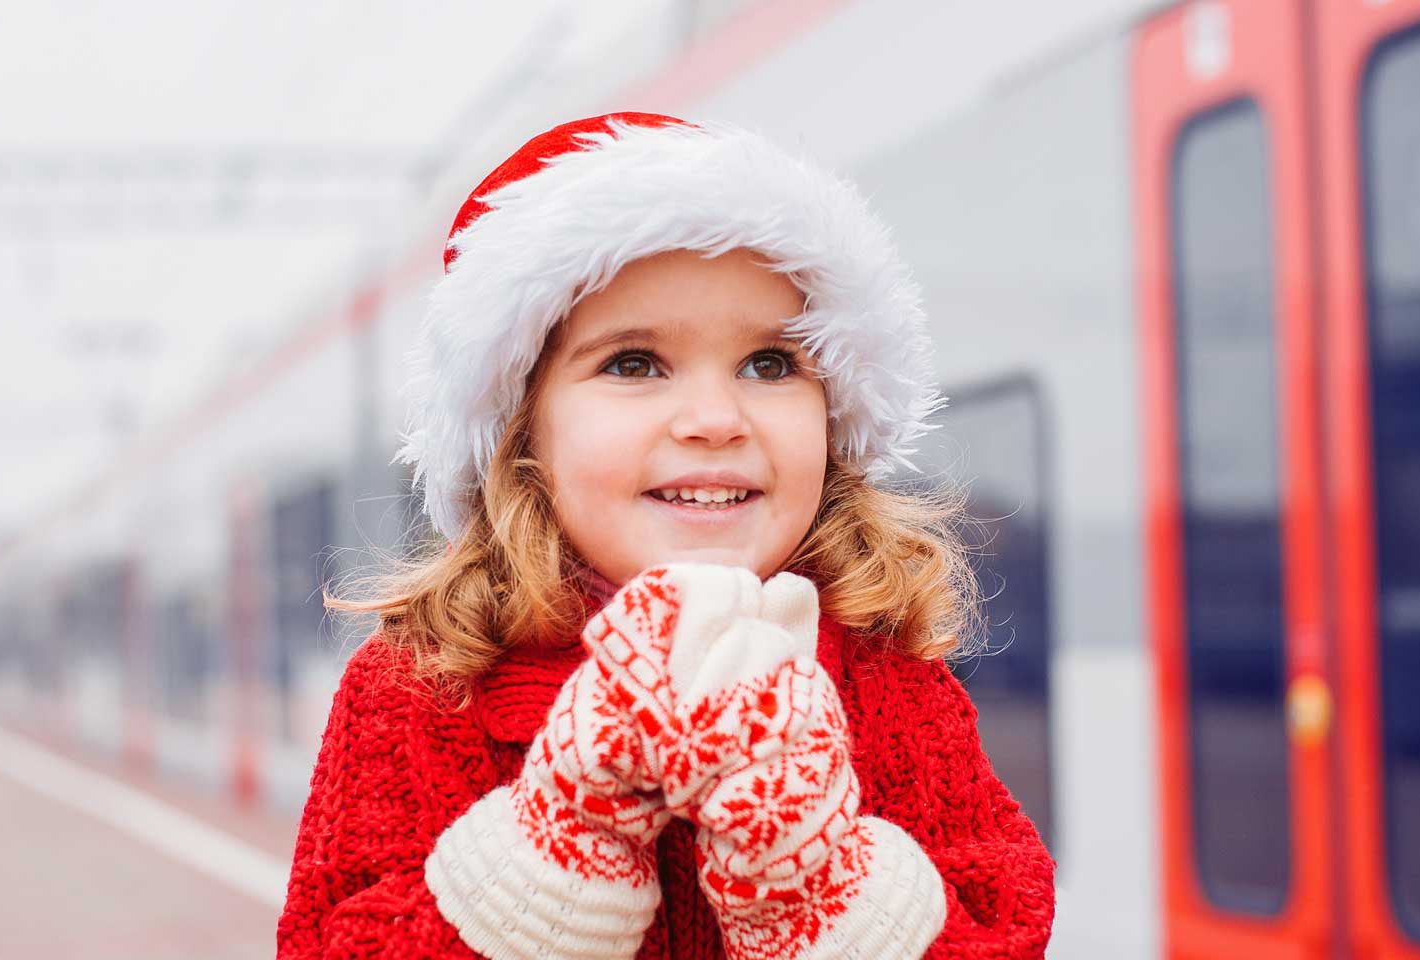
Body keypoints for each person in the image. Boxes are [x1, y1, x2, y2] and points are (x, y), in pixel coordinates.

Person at [273, 113, 1055, 960]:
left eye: (771, 364)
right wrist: (558, 847)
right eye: (633, 364)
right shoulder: (420, 692)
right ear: (520, 428)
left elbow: (1003, 922)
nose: (717, 420)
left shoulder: (890, 680)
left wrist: (818, 886)